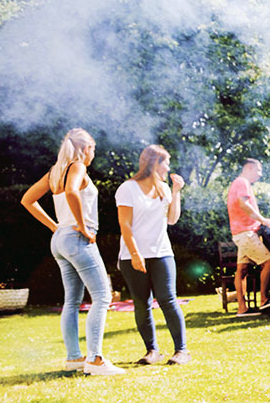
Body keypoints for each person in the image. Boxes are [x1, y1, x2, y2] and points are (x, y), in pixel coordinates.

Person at [21, 129, 124, 376]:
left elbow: (27, 200)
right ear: (85, 148)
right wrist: (82, 225)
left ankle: (74, 358)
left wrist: (55, 227)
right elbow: (71, 192)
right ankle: (95, 360)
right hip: (77, 237)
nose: (93, 155)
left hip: (60, 240)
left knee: (72, 301)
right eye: (93, 149)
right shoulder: (77, 166)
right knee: (102, 296)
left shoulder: (55, 172)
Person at [116, 145, 190, 366]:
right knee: (141, 303)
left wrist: (176, 191)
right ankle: (152, 351)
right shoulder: (127, 189)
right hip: (132, 256)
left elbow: (172, 219)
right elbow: (125, 225)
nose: (168, 167)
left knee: (168, 299)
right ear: (154, 163)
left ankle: (182, 351)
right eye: (165, 162)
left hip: (162, 253)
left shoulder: (164, 189)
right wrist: (136, 254)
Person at [226, 158, 270, 317]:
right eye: (258, 170)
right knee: (269, 262)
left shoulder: (238, 183)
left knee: (242, 270)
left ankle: (242, 309)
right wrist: (264, 220)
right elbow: (244, 204)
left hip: (240, 234)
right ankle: (264, 300)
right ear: (249, 167)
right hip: (246, 233)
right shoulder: (242, 182)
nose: (260, 175)